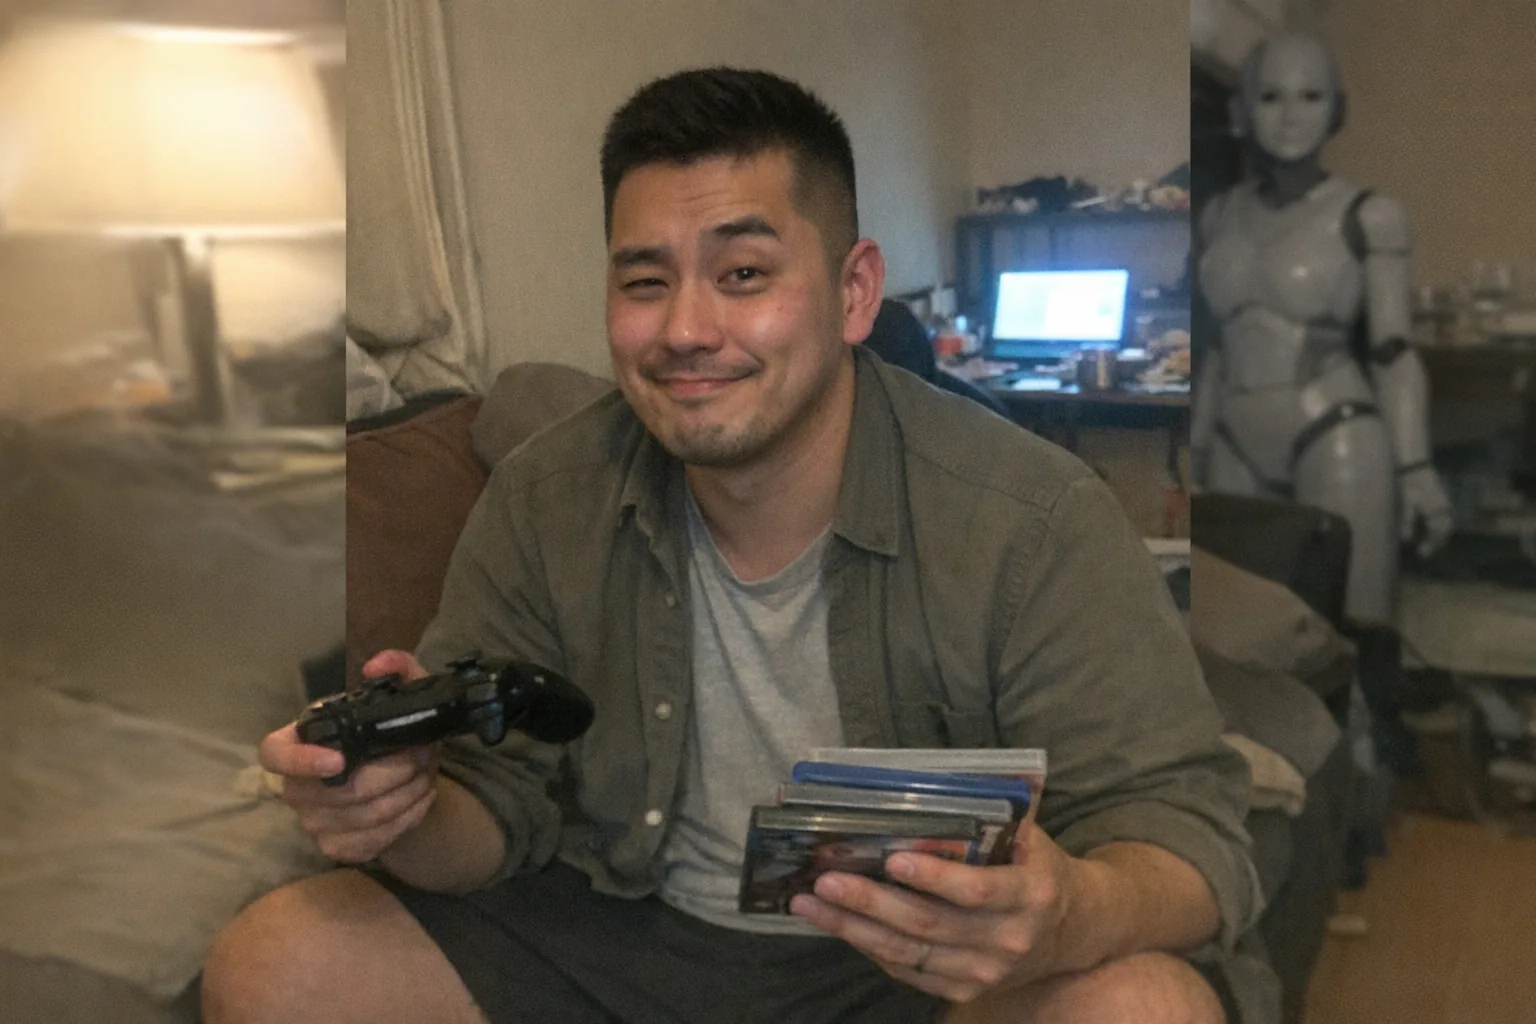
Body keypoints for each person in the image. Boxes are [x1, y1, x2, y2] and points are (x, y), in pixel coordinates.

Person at [203, 68, 1267, 1024]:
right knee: (276, 960)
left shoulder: (1032, 517)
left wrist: (1069, 908)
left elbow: (1189, 835)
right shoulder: (545, 496)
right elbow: (493, 812)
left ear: (854, 293)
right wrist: (401, 810)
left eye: (745, 274)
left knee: (1143, 1007)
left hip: (907, 974)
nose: (686, 330)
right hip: (617, 937)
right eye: (645, 280)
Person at [1193, 32, 1454, 626]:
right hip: (1234, 439)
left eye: (1311, 96)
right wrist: (1198, 448)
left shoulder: (1371, 214)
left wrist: (1416, 469)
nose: (1289, 116)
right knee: (1242, 632)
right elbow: (1212, 351)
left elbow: (1393, 351)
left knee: (1355, 625)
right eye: (1270, 96)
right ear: (1242, 110)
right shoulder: (1216, 216)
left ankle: (1367, 718)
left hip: (1333, 430)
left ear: (1336, 108)